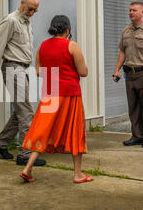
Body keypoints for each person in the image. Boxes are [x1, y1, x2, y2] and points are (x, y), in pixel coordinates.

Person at [19, 15, 92, 184]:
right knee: (75, 131)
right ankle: (78, 174)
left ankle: (27, 168)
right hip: (69, 93)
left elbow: (38, 71)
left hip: (51, 92)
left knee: (43, 130)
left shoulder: (43, 46)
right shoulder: (71, 45)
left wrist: (54, 76)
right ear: (67, 30)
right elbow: (83, 72)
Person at [0, 0, 46, 167]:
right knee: (27, 113)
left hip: (23, 68)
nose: (31, 13)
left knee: (21, 111)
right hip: (13, 67)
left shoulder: (27, 23)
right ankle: (25, 154)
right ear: (22, 3)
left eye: (35, 11)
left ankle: (0, 143)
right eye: (30, 9)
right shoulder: (10, 21)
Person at [113, 2, 143, 148]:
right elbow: (122, 51)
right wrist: (116, 70)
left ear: (142, 12)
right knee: (133, 106)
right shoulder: (126, 31)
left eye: (134, 10)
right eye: (130, 10)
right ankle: (137, 135)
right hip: (129, 73)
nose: (131, 12)